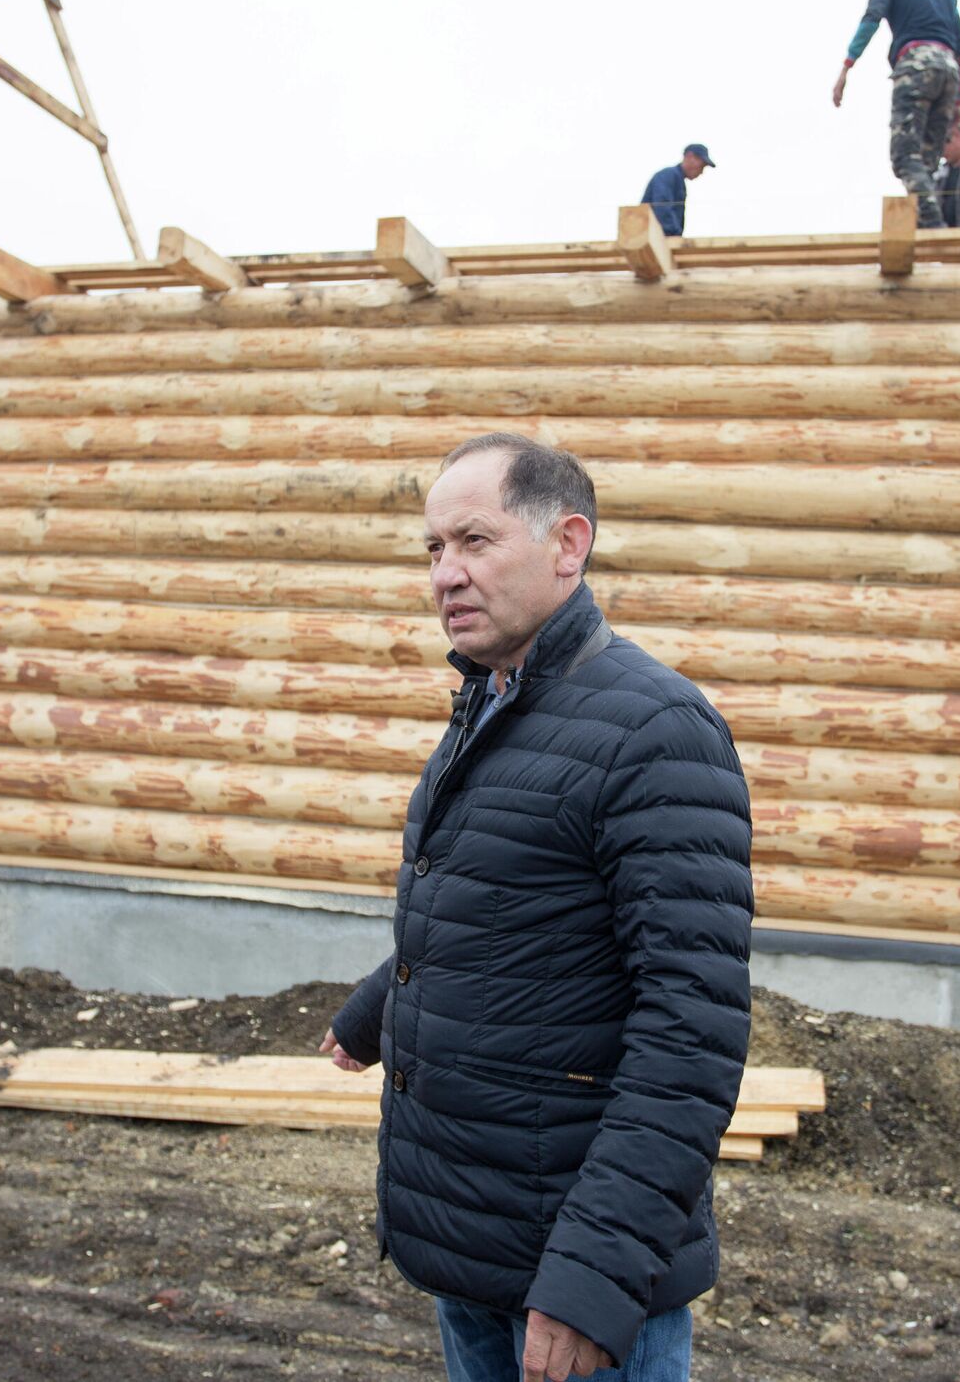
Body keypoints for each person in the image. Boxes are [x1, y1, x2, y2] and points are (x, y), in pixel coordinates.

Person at [318, 434, 754, 1381]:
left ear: (568, 544)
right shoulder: (494, 702)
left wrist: (593, 1278)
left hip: (572, 1270)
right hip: (475, 1232)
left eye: (473, 541)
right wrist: (378, 1009)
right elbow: (502, 905)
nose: (445, 574)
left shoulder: (656, 730)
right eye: (433, 549)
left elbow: (691, 1033)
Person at [830, 0, 960, 228]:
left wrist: (847, 65)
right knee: (927, 162)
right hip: (949, 71)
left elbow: (872, 18)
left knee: (905, 156)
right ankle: (925, 222)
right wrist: (958, 99)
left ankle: (934, 228)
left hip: (916, 65)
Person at [638, 144, 715, 238]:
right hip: (651, 237)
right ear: (689, 156)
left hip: (658, 237)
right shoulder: (668, 175)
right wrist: (674, 236)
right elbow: (662, 206)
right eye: (702, 166)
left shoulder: (679, 181)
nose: (701, 172)